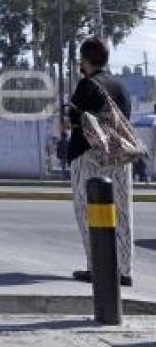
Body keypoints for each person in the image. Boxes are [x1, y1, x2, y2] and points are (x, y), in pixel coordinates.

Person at [67, 36, 134, 287]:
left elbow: (73, 121)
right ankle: (124, 269)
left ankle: (97, 267)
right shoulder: (121, 86)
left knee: (88, 211)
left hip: (89, 156)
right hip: (119, 155)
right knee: (122, 211)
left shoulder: (87, 85)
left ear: (84, 61)